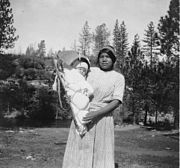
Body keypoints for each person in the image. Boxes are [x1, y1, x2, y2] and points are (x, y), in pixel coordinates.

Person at [62, 45, 125, 168]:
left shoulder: (118, 77)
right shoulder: (90, 71)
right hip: (83, 114)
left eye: (108, 57)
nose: (104, 59)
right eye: (101, 57)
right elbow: (76, 85)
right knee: (80, 149)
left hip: (103, 119)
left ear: (113, 60)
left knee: (100, 152)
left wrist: (96, 114)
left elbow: (116, 101)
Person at [53, 56, 93, 136]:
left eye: (84, 70)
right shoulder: (71, 77)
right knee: (77, 113)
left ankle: (82, 126)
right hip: (73, 98)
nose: (82, 71)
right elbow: (60, 87)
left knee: (82, 110)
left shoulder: (84, 81)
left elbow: (89, 90)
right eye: (80, 69)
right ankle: (81, 126)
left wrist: (82, 91)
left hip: (81, 100)